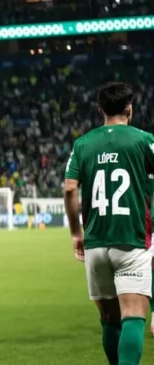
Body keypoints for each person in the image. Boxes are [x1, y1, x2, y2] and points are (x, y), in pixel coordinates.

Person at [64, 82, 154, 365]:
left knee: (109, 319)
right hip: (131, 240)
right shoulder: (144, 140)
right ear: (130, 109)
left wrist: (76, 233)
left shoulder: (82, 144)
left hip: (95, 244)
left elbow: (69, 188)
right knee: (133, 315)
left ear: (100, 110)